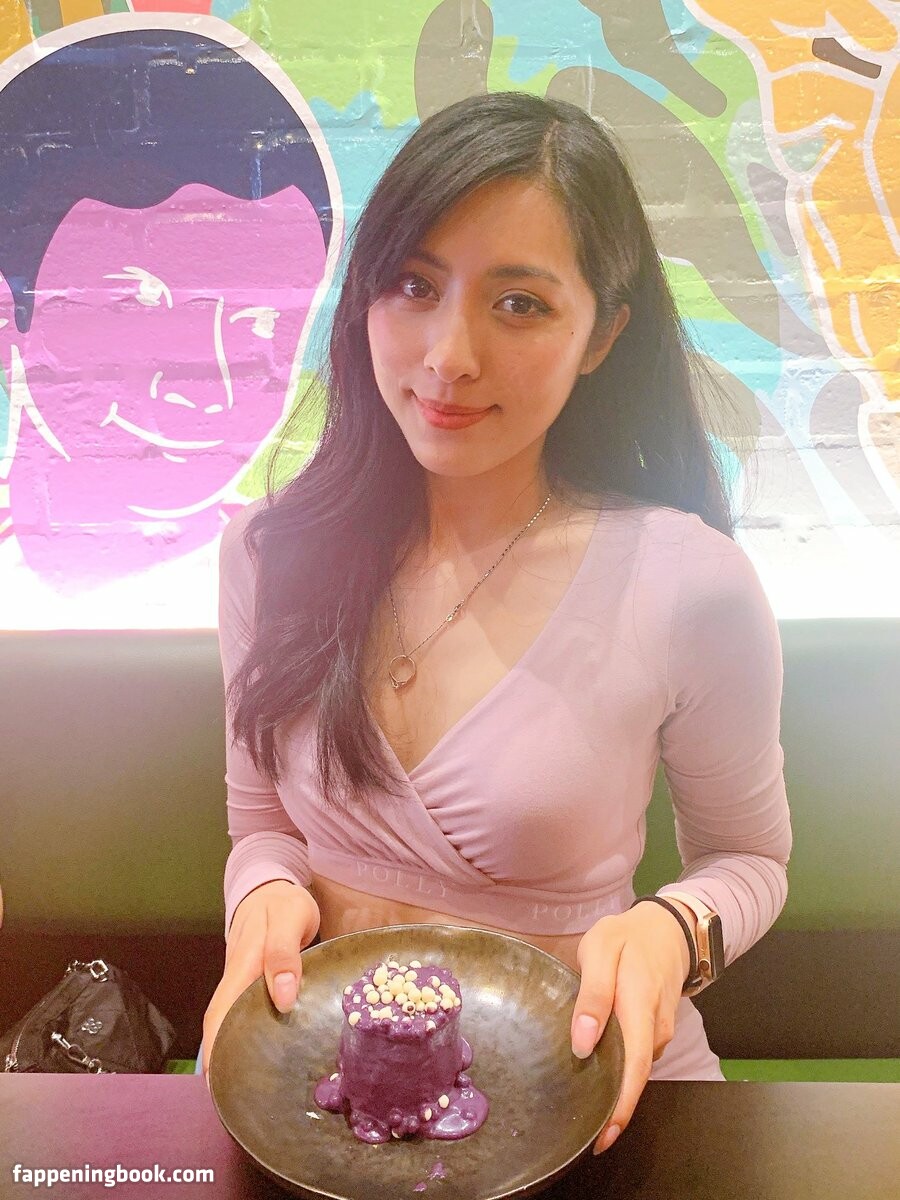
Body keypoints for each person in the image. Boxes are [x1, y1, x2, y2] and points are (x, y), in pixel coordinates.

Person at [200, 91, 792, 1156]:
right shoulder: (268, 554)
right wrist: (265, 899)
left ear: (602, 334)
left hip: (591, 1102)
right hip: (324, 1102)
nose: (448, 356)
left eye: (520, 304)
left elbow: (750, 859)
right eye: (414, 285)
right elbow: (262, 827)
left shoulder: (687, 584)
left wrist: (670, 931)